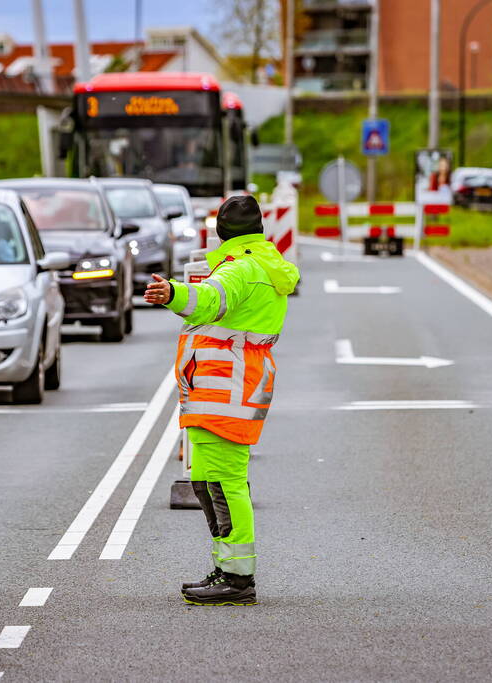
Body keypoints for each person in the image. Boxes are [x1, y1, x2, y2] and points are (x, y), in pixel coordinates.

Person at [144, 194, 300, 606]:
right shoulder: (259, 264)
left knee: (224, 483)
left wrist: (172, 293)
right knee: (209, 481)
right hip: (226, 385)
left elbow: (210, 299)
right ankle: (227, 570)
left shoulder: (241, 269)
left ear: (220, 233)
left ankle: (237, 578)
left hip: (225, 386)